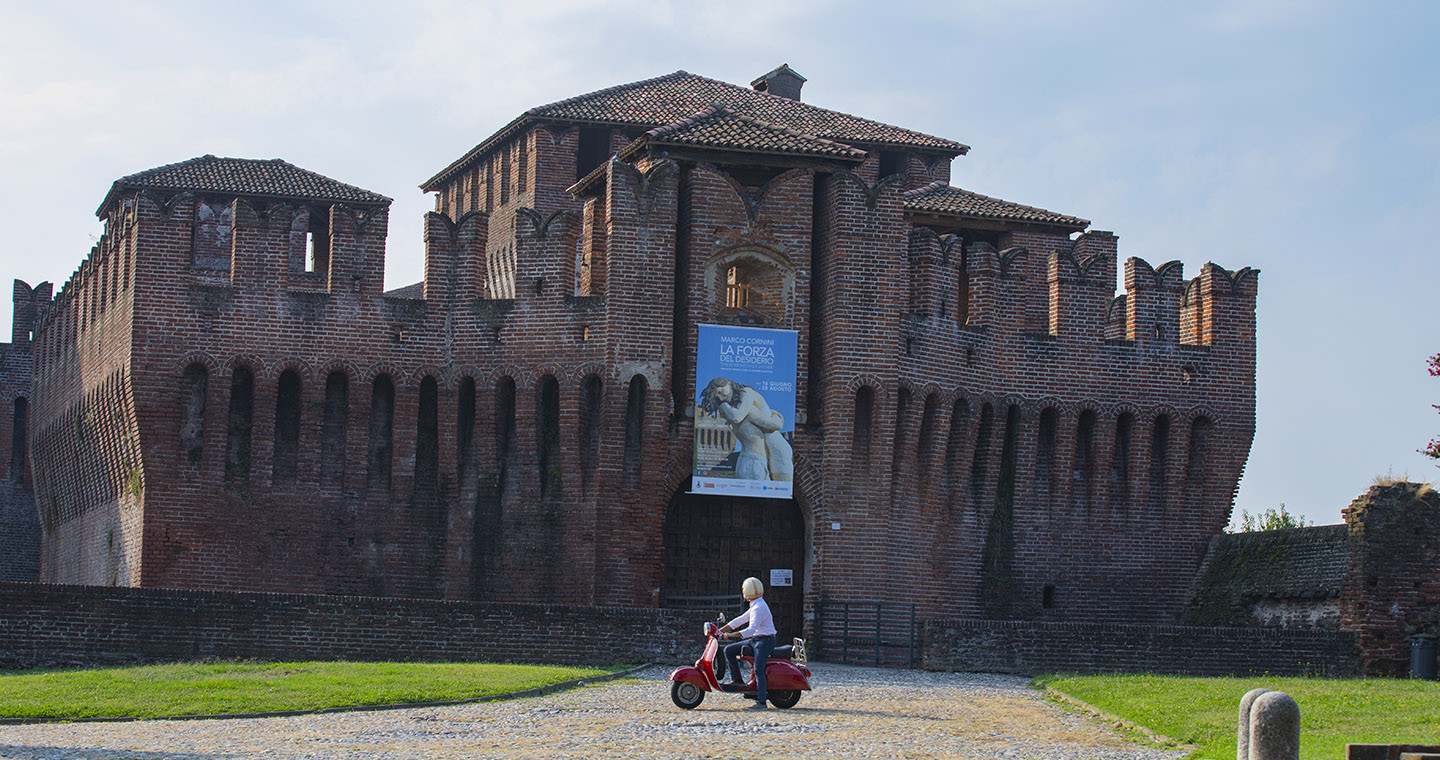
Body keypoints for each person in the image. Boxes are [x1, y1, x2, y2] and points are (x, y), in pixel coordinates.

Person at [699, 377, 794, 482]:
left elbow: (736, 417)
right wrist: (777, 418)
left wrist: (723, 406)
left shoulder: (746, 396)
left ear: (729, 383)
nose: (722, 398)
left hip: (774, 450)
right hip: (759, 456)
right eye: (718, 397)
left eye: (721, 391)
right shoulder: (740, 410)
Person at [718, 576, 776, 710]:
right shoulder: (756, 604)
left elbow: (750, 630)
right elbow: (741, 619)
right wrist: (720, 630)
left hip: (765, 641)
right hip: (756, 640)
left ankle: (762, 702)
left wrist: (728, 636)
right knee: (729, 651)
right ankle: (737, 680)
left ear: (746, 592)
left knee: (758, 670)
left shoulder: (759, 607)